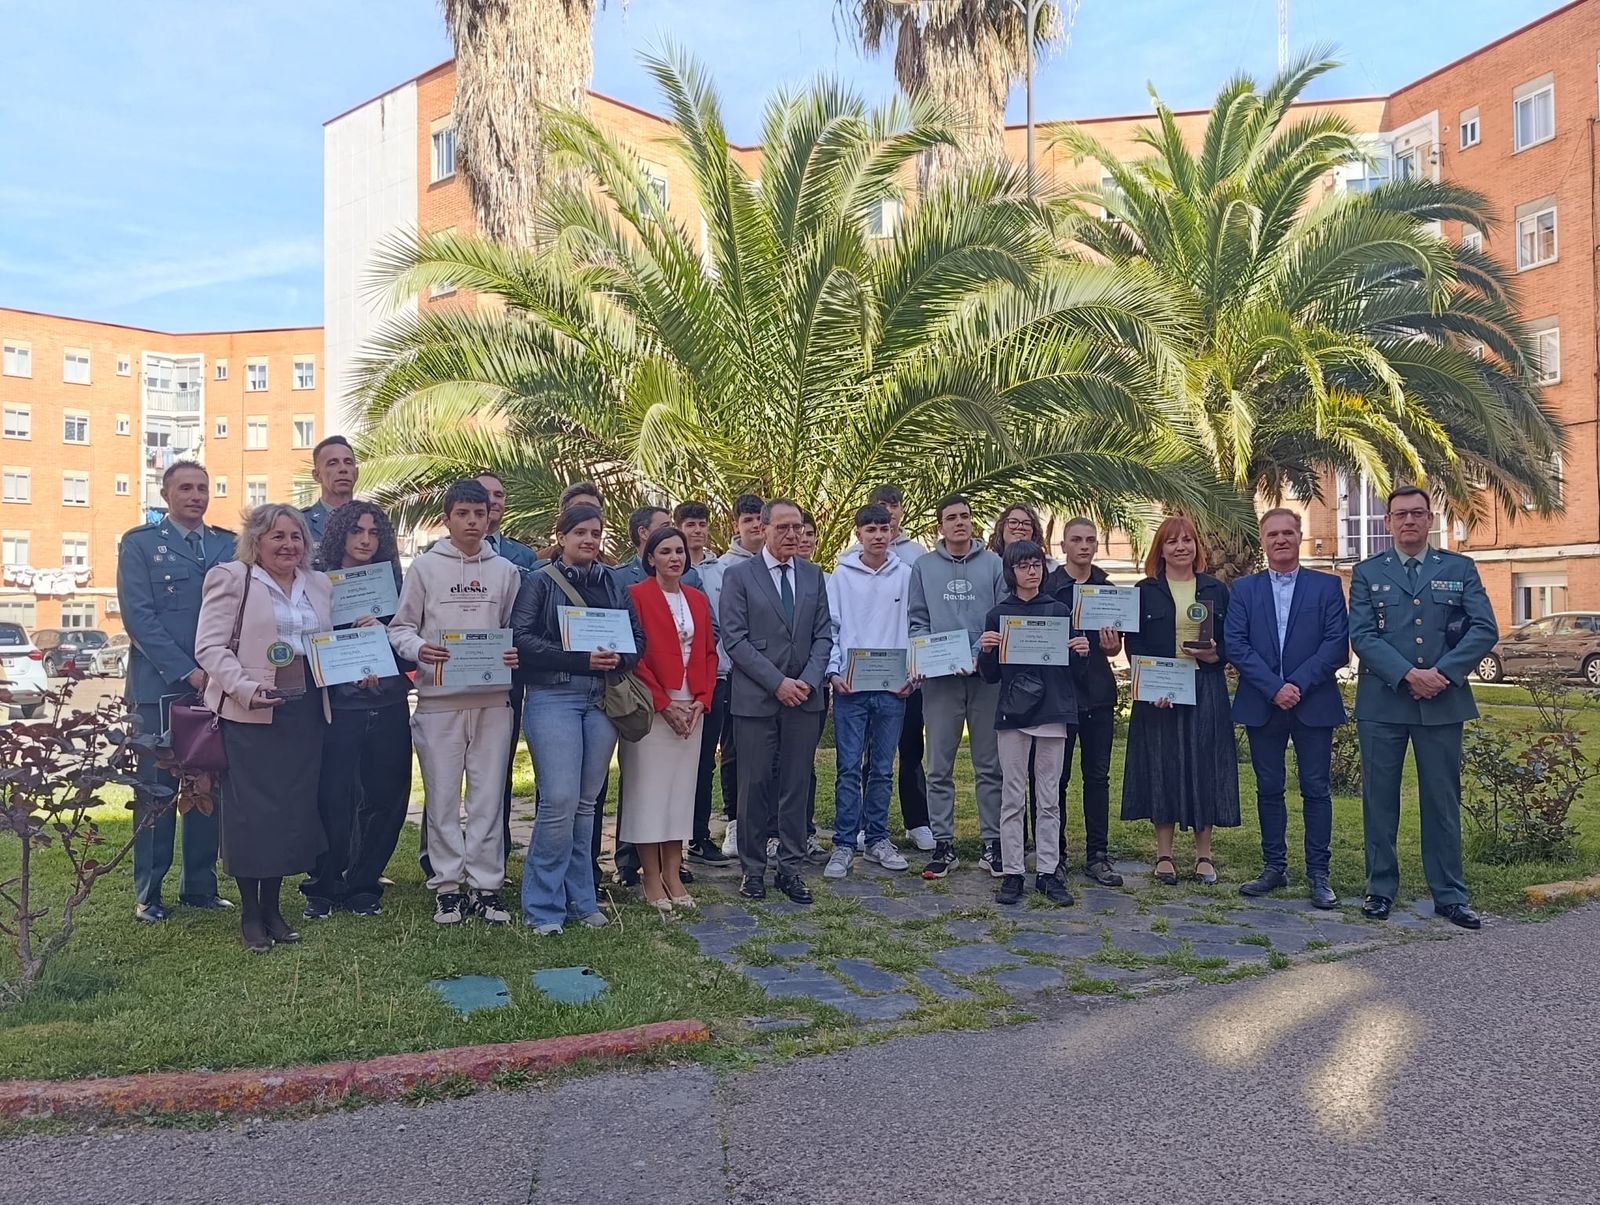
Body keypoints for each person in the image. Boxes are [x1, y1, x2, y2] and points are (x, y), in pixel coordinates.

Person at [1349, 486, 1497, 929]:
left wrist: (1443, 673)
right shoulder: (1367, 572)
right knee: (1379, 801)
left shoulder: (1458, 567)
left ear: (1429, 518)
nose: (1409, 521)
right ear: (1387, 522)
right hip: (1383, 702)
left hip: (1443, 702)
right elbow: (1363, 636)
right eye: (1400, 515)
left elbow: (1483, 628)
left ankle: (1450, 895)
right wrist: (1409, 675)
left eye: (1417, 513)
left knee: (1442, 801)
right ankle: (1380, 889)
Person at [195, 504, 333, 954]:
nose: (288, 545)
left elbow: (326, 644)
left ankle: (275, 909)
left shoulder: (318, 583)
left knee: (290, 813)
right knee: (251, 815)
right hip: (249, 712)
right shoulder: (232, 577)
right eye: (277, 536)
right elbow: (209, 646)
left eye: (296, 537)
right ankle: (250, 914)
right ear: (256, 541)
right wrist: (245, 688)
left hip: (305, 710)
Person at [388, 479, 522, 926]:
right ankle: (448, 886)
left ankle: (486, 886)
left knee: (488, 796)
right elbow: (400, 628)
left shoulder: (504, 571)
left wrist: (511, 653)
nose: (471, 522)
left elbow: (510, 631)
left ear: (489, 518)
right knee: (443, 797)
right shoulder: (425, 568)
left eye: (479, 514)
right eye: (462, 514)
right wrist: (420, 649)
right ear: (447, 519)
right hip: (438, 701)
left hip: (492, 701)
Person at [512, 504, 645, 933]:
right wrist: (578, 658)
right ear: (562, 536)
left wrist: (617, 657)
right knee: (560, 801)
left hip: (602, 698)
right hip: (554, 697)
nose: (589, 540)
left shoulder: (613, 581)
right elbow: (522, 638)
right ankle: (542, 906)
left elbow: (635, 638)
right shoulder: (537, 581)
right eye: (581, 533)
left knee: (587, 805)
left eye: (596, 533)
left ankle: (581, 901)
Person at [117, 461, 236, 923]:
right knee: (158, 789)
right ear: (166, 495)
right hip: (161, 688)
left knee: (209, 783)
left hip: (218, 685)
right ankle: (150, 892)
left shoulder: (226, 545)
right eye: (185, 488)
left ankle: (200, 887)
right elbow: (139, 619)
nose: (195, 495)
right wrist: (189, 672)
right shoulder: (141, 544)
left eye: (203, 488)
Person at [1226, 508, 1350, 909]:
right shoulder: (1243, 589)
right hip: (1263, 703)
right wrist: (1274, 687)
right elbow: (1236, 645)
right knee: (1269, 789)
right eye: (1272, 534)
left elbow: (1335, 645)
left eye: (1288, 533)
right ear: (1262, 541)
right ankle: (1273, 867)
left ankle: (1319, 873)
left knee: (1316, 790)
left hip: (1312, 702)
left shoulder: (1327, 587)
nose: (1280, 540)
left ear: (1300, 536)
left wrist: (1296, 684)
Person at [301, 503, 414, 919]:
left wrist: (381, 646)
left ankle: (364, 884)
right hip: (338, 706)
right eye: (357, 532)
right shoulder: (315, 585)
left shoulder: (395, 587)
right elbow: (306, 640)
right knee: (332, 797)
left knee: (386, 796)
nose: (366, 540)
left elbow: (409, 643)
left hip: (387, 702)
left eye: (373, 532)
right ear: (339, 536)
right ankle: (324, 885)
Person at [720, 498, 832, 903]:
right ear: (763, 529)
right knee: (754, 785)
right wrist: (777, 683)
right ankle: (752, 872)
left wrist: (806, 680)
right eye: (782, 527)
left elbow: (823, 635)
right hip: (756, 700)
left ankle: (791, 868)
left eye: (798, 528)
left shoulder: (814, 575)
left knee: (796, 786)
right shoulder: (739, 576)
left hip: (804, 698)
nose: (792, 535)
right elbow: (734, 639)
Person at [1121, 515, 1240, 885]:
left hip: (1205, 687)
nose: (1181, 547)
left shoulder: (1216, 590)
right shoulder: (1144, 591)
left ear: (1196, 547)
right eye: (1172, 541)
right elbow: (1134, 645)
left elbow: (1232, 641)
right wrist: (1152, 686)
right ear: (1161, 549)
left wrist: (1215, 656)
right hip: (1159, 691)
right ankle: (1165, 855)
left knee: (1205, 765)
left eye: (1187, 540)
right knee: (1163, 766)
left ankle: (1204, 856)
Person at [909, 495, 1006, 878]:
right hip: (941, 680)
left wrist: (980, 654)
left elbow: (1001, 616)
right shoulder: (924, 567)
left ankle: (992, 844)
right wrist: (924, 656)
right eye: (951, 518)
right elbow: (917, 620)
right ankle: (943, 845)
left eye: (965, 516)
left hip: (985, 678)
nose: (959, 523)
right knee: (938, 766)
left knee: (989, 764)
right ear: (941, 526)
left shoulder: (994, 564)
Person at [621, 526, 718, 911]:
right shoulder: (637, 595)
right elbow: (634, 654)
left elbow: (710, 652)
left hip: (690, 706)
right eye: (665, 551)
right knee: (649, 794)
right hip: (651, 706)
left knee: (680, 794)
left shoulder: (696, 598)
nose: (675, 557)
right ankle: (650, 877)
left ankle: (674, 874)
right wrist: (663, 703)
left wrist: (700, 700)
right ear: (650, 558)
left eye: (679, 551)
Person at [978, 540, 1078, 907]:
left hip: (1053, 711)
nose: (1031, 571)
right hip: (1013, 714)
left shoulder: (1059, 610)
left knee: (1049, 796)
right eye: (1023, 565)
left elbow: (1072, 671)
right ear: (1011, 571)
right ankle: (1013, 873)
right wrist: (986, 650)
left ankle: (1049, 873)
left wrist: (1080, 653)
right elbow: (990, 676)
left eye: (1036, 564)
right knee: (1012, 796)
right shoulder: (997, 614)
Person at [822, 504, 914, 879]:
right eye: (870, 529)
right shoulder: (840, 577)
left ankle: (877, 839)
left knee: (881, 769)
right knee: (847, 768)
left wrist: (914, 673)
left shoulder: (907, 575)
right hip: (851, 688)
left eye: (884, 528)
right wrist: (832, 671)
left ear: (893, 532)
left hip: (893, 689)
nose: (878, 535)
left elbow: (916, 625)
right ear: (858, 533)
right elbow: (830, 627)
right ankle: (844, 845)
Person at [1042, 519, 1126, 886]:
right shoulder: (1047, 588)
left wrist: (1112, 646)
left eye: (1091, 540)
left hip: (1098, 694)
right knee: (1054, 780)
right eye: (1076, 540)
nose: (1084, 546)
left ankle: (1098, 856)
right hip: (1057, 698)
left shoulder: (1108, 590)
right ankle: (1054, 855)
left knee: (1097, 777)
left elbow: (1116, 646)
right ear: (1063, 545)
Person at [857, 484, 934, 852]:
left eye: (893, 506)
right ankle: (866, 823)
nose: (887, 513)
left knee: (910, 748)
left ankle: (917, 821)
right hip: (868, 671)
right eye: (880, 508)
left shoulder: (917, 556)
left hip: (907, 670)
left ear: (901, 511)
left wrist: (918, 662)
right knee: (870, 753)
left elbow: (921, 614)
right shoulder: (852, 558)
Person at [675, 501, 732, 865]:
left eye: (702, 524)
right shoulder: (668, 569)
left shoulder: (721, 570)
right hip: (669, 685)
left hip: (715, 676)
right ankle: (663, 847)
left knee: (704, 762)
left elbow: (720, 626)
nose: (697, 530)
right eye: (690, 524)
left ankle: (698, 835)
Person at [717, 493, 767, 857]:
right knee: (733, 752)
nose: (754, 525)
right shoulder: (722, 568)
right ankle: (734, 822)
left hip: (776, 676)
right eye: (747, 519)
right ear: (736, 524)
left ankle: (771, 826)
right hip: (732, 673)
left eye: (758, 519)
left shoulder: (786, 564)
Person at [616, 506, 703, 589]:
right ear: (643, 533)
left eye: (672, 526)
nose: (672, 532)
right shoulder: (619, 577)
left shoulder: (690, 576)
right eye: (665, 527)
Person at [301, 436, 359, 544]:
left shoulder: (374, 522)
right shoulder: (300, 523)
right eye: (332, 463)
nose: (343, 469)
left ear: (356, 473)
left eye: (348, 462)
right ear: (316, 475)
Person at [536, 482, 605, 563]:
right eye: (581, 509)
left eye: (595, 510)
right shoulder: (538, 561)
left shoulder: (613, 569)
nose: (589, 515)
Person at [986, 503, 1053, 568]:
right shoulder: (989, 564)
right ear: (1002, 527)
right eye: (1013, 522)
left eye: (1026, 523)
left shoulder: (1049, 566)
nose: (1020, 527)